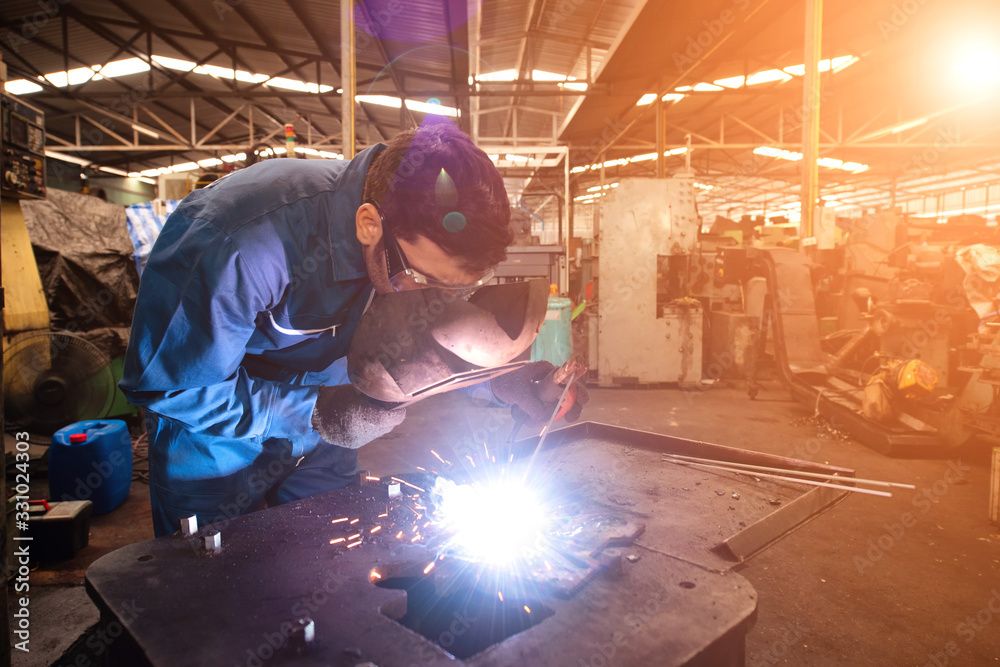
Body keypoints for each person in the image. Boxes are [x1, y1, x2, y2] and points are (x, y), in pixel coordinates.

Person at [120, 121, 585, 537]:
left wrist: (502, 383)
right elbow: (171, 386)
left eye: (452, 290)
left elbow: (428, 346)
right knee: (210, 593)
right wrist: (314, 412)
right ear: (369, 225)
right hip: (212, 441)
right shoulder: (240, 240)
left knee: (331, 572)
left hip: (330, 428)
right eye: (426, 281)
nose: (432, 301)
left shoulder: (404, 249)